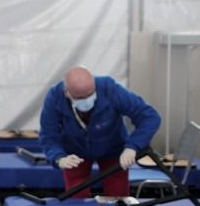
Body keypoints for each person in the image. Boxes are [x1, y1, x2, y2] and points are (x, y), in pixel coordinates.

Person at [39, 65, 161, 198]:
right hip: (74, 155)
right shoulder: (55, 97)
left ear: (95, 87)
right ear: (66, 92)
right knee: (75, 199)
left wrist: (132, 146)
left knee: (117, 198)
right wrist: (59, 158)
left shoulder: (111, 90)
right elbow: (48, 134)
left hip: (113, 149)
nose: (85, 101)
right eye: (79, 98)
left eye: (89, 95)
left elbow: (150, 117)